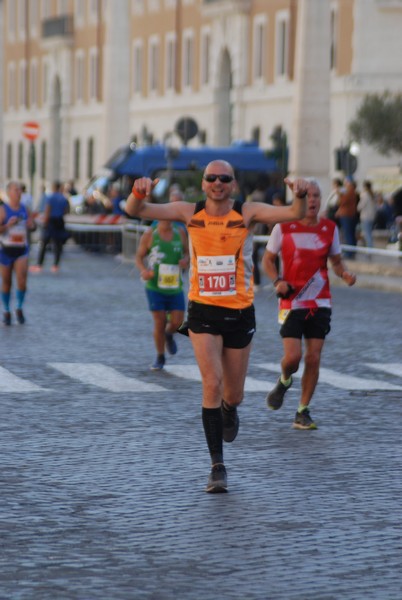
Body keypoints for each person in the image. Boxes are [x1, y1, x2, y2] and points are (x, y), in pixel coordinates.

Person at [125, 160, 308, 493]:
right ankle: (217, 467)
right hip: (203, 312)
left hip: (239, 313)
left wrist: (299, 195)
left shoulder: (247, 212)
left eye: (225, 178)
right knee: (212, 381)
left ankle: (229, 409)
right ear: (204, 183)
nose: (218, 183)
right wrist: (138, 193)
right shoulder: (187, 212)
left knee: (233, 394)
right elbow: (136, 209)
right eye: (212, 178)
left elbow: (293, 214)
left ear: (233, 185)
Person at [262, 179, 356, 430]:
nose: (312, 200)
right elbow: (268, 260)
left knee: (313, 357)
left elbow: (336, 261)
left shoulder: (329, 228)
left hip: (320, 300)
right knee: (293, 358)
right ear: (299, 199)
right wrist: (277, 280)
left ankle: (302, 410)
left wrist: (344, 274)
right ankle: (284, 381)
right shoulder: (283, 228)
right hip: (291, 300)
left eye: (316, 195)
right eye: (308, 196)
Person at [136, 218, 189, 370]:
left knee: (178, 322)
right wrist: (144, 270)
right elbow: (139, 256)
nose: (167, 221)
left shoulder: (179, 233)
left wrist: (185, 260)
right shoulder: (150, 235)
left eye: (170, 218)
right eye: (164, 218)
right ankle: (160, 356)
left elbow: (187, 253)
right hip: (155, 286)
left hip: (174, 286)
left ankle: (169, 334)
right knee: (159, 322)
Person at [0, 181, 36, 325]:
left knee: (22, 280)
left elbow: (33, 226)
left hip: (21, 249)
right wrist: (8, 225)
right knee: (7, 282)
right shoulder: (3, 210)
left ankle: (19, 308)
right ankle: (7, 310)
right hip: (5, 250)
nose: (19, 193)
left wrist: (31, 225)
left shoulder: (25, 209)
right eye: (16, 190)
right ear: (9, 193)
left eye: (20, 190)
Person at [29, 181, 70, 273]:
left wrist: (45, 221)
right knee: (57, 244)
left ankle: (39, 264)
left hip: (51, 221)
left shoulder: (50, 198)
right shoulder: (63, 198)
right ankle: (56, 265)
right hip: (59, 221)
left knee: (44, 243)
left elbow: (47, 210)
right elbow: (65, 210)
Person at [335, 177, 359, 258]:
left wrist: (339, 195)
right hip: (350, 214)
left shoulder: (349, 190)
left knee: (348, 234)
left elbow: (342, 202)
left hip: (346, 214)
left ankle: (349, 252)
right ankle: (351, 251)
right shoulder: (352, 191)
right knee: (350, 233)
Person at [357, 180, 377, 248]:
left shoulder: (365, 195)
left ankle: (369, 249)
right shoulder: (372, 194)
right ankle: (370, 248)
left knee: (367, 234)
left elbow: (360, 206)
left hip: (365, 216)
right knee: (369, 233)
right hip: (372, 216)